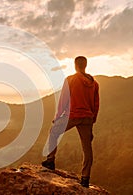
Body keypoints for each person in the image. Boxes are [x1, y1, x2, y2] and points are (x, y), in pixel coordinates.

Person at [42, 56, 99, 188]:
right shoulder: (94, 84)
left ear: (75, 65)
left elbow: (63, 100)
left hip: (72, 115)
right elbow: (96, 104)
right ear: (85, 65)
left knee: (54, 132)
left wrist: (57, 117)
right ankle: (85, 178)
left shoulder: (70, 80)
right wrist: (92, 120)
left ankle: (50, 161)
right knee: (87, 148)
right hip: (87, 118)